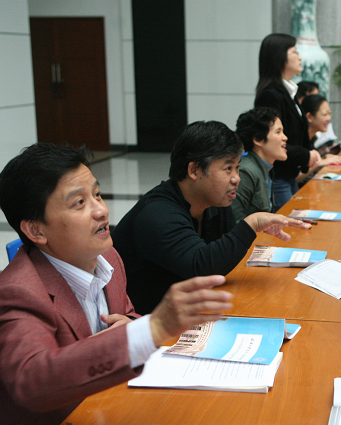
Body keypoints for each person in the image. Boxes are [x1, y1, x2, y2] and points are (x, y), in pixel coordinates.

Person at [0, 143, 234, 425]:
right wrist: (151, 329)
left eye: (97, 194)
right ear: (36, 231)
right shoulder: (16, 295)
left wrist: (131, 324)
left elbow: (124, 316)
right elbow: (32, 380)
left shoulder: (107, 258)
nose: (101, 210)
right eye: (79, 203)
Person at [111, 121, 309, 314]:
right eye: (228, 168)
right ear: (194, 170)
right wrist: (252, 224)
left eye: (237, 167)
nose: (236, 178)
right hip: (142, 321)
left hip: (188, 311)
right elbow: (202, 267)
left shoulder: (214, 202)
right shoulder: (157, 213)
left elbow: (224, 259)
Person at [254, 33, 320, 210]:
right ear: (279, 58)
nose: (300, 57)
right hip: (278, 176)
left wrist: (310, 153)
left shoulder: (289, 92)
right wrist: (306, 155)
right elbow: (273, 140)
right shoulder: (270, 95)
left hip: (290, 174)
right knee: (288, 224)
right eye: (294, 52)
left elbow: (297, 133)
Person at [232, 107, 287, 222]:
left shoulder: (266, 168)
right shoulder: (245, 172)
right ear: (258, 139)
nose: (285, 138)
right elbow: (235, 222)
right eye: (278, 132)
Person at [300, 94, 341, 167]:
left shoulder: (312, 139)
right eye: (325, 114)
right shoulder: (298, 141)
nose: (329, 118)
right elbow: (299, 172)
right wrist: (324, 161)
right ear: (309, 117)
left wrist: (325, 157)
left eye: (329, 113)